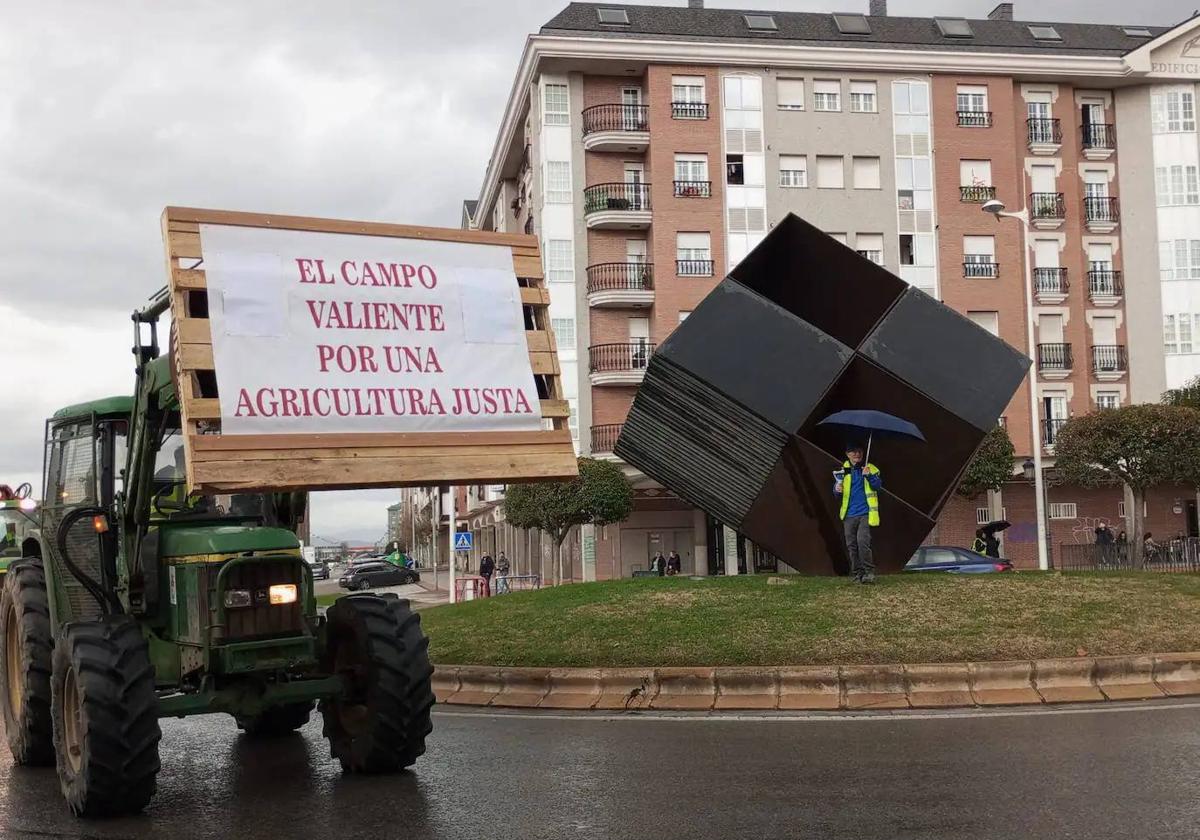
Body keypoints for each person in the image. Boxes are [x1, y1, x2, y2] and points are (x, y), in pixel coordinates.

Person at [834, 444, 882, 584]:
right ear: (847, 454)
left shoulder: (870, 468)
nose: (857, 454)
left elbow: (878, 486)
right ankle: (857, 575)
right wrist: (837, 489)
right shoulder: (843, 471)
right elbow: (837, 493)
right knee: (851, 545)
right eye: (853, 451)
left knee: (863, 543)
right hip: (849, 515)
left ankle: (869, 573)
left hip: (865, 514)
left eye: (860, 451)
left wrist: (869, 476)